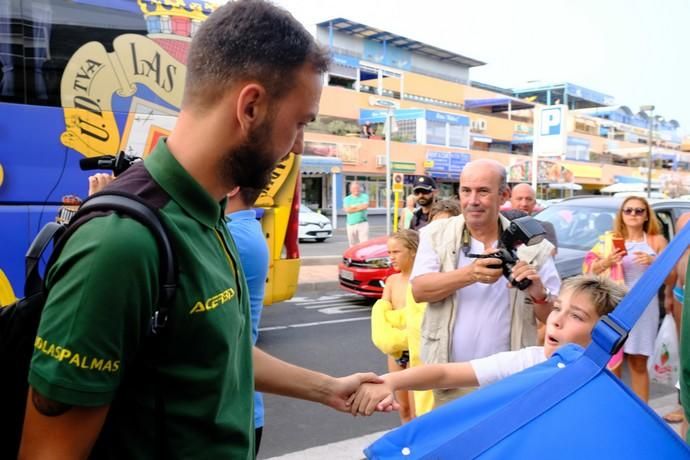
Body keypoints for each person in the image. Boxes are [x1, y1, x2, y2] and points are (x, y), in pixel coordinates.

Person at [20, 2, 382, 459]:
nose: (297, 147)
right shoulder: (121, 243)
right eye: (300, 124)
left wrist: (330, 388)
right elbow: (48, 452)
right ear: (250, 107)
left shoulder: (209, 213)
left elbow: (216, 348)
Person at [349, 275, 626, 416]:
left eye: (576, 316)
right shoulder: (529, 361)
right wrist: (389, 381)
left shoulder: (608, 393)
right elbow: (445, 374)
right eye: (557, 308)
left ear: (604, 333)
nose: (556, 320)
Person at [410, 159, 560, 407]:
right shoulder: (435, 234)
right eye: (466, 190)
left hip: (509, 381)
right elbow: (419, 290)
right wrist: (469, 274)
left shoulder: (533, 245)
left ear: (503, 196)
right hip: (451, 377)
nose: (472, 200)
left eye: (483, 191)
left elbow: (554, 317)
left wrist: (539, 294)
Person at [583, 196, 668, 402]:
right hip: (615, 306)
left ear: (647, 215)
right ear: (621, 214)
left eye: (639, 211)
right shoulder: (610, 240)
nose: (633, 214)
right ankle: (617, 408)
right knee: (613, 361)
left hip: (644, 308)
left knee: (639, 362)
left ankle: (642, 413)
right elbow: (589, 270)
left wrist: (654, 262)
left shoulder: (656, 241)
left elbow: (671, 276)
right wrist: (607, 261)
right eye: (628, 210)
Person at [225, 186, 269, 456]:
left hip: (230, 411)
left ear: (231, 188)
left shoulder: (233, 236)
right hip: (237, 408)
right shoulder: (236, 229)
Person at [370, 230, 421, 424]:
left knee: (418, 410)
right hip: (396, 352)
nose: (391, 257)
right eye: (389, 252)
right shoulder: (391, 281)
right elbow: (382, 318)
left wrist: (400, 321)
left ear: (413, 251)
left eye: (396, 252)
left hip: (417, 348)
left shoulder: (422, 281)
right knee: (404, 409)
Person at [510, 183, 558, 251]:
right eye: (519, 199)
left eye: (529, 199)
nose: (524, 204)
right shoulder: (499, 225)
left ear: (534, 203)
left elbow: (549, 255)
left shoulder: (545, 228)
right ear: (511, 201)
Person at [344, 181, 369, 246]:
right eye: (354, 188)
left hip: (362, 223)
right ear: (351, 189)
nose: (356, 189)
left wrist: (353, 207)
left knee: (364, 243)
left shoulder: (364, 196)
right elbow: (347, 210)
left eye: (357, 188)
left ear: (360, 188)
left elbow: (365, 206)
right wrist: (359, 207)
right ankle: (353, 256)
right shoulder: (347, 199)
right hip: (351, 224)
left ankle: (363, 256)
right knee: (352, 244)